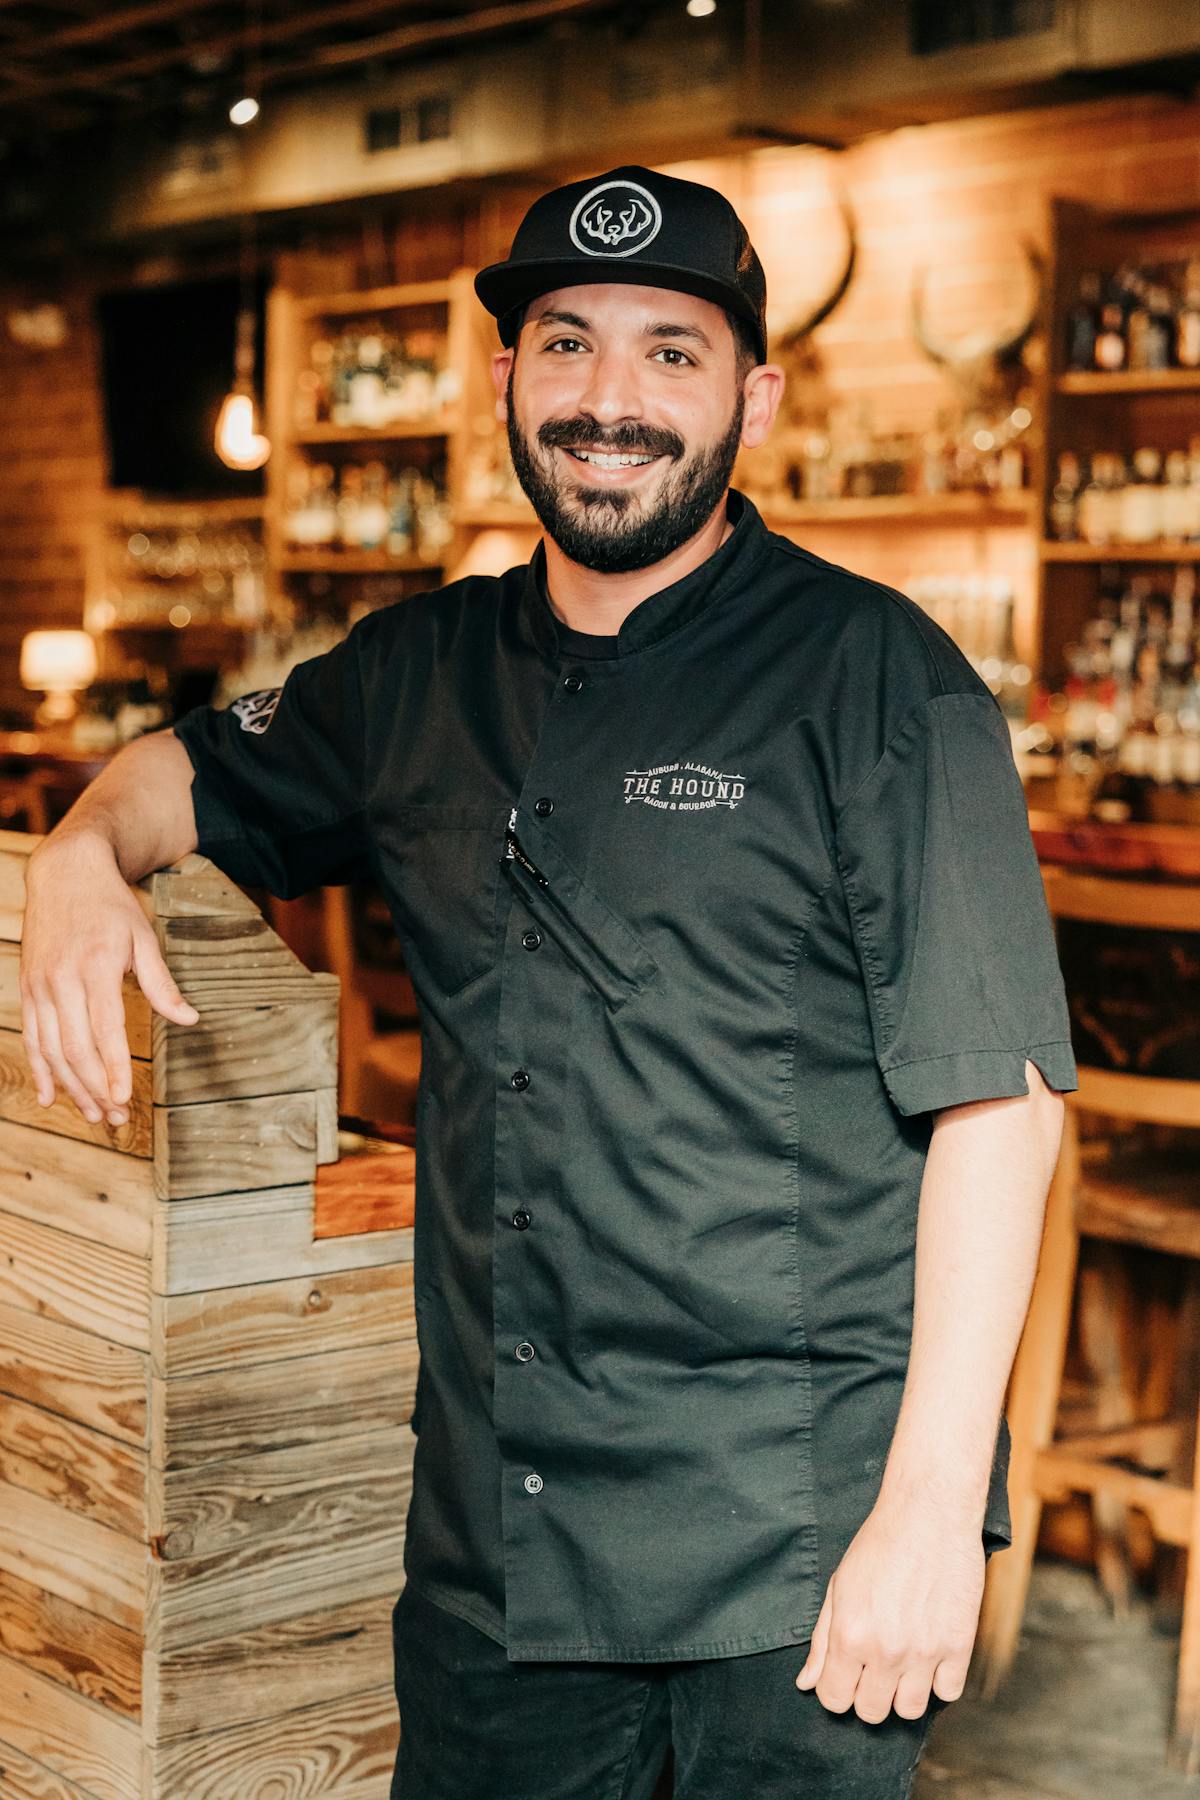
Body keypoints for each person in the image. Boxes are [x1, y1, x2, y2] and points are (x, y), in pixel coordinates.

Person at [20, 164, 1077, 1799]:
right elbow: (176, 775)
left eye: (673, 352)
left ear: (755, 395)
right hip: (495, 1549)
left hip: (793, 1551)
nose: (613, 400)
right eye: (568, 345)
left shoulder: (879, 676)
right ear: (503, 380)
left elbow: (998, 1110)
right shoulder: (415, 674)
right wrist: (74, 860)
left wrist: (934, 1515)